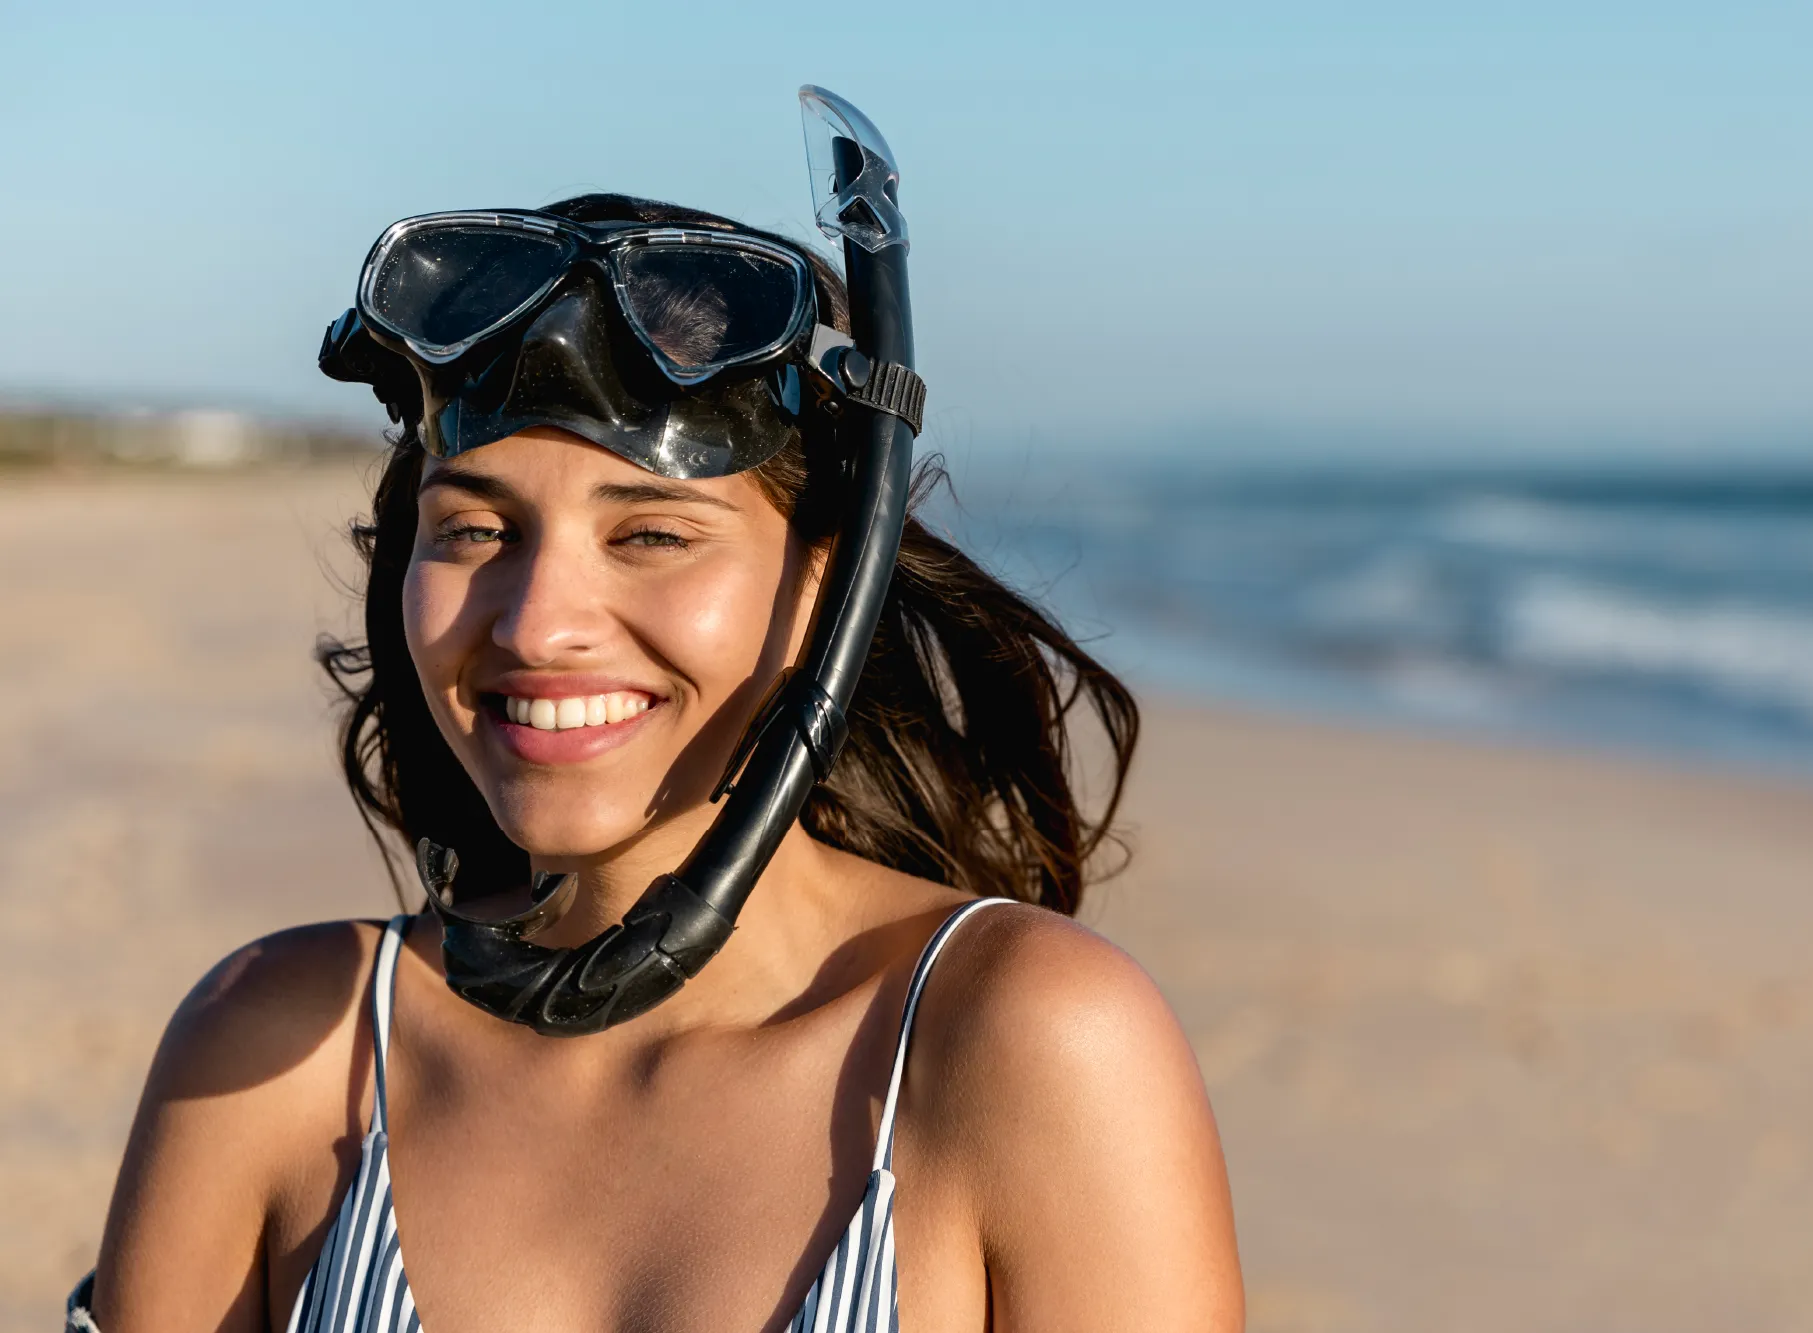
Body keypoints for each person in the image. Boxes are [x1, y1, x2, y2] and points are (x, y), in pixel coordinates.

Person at [74, 89, 1242, 1332]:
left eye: (652, 534)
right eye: (473, 529)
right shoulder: (278, 1052)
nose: (535, 621)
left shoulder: (1018, 1045)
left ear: (823, 585)